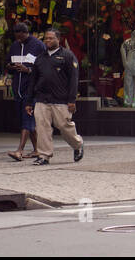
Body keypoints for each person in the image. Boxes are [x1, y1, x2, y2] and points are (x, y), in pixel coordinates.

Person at [27, 29, 85, 166]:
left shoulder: (67, 56)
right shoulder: (40, 58)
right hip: (42, 99)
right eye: (46, 38)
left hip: (61, 99)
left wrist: (72, 100)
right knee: (42, 128)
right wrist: (29, 101)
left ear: (58, 39)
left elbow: (73, 79)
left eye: (51, 38)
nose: (48, 41)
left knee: (64, 126)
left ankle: (78, 145)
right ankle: (44, 155)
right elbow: (33, 81)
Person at [6, 20, 45, 161]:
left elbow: (44, 68)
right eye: (16, 37)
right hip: (17, 88)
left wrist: (28, 70)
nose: (18, 40)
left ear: (26, 33)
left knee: (27, 120)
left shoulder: (38, 46)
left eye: (21, 37)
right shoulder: (15, 46)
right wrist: (11, 66)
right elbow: (7, 63)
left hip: (32, 89)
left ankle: (19, 150)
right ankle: (37, 150)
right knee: (26, 120)